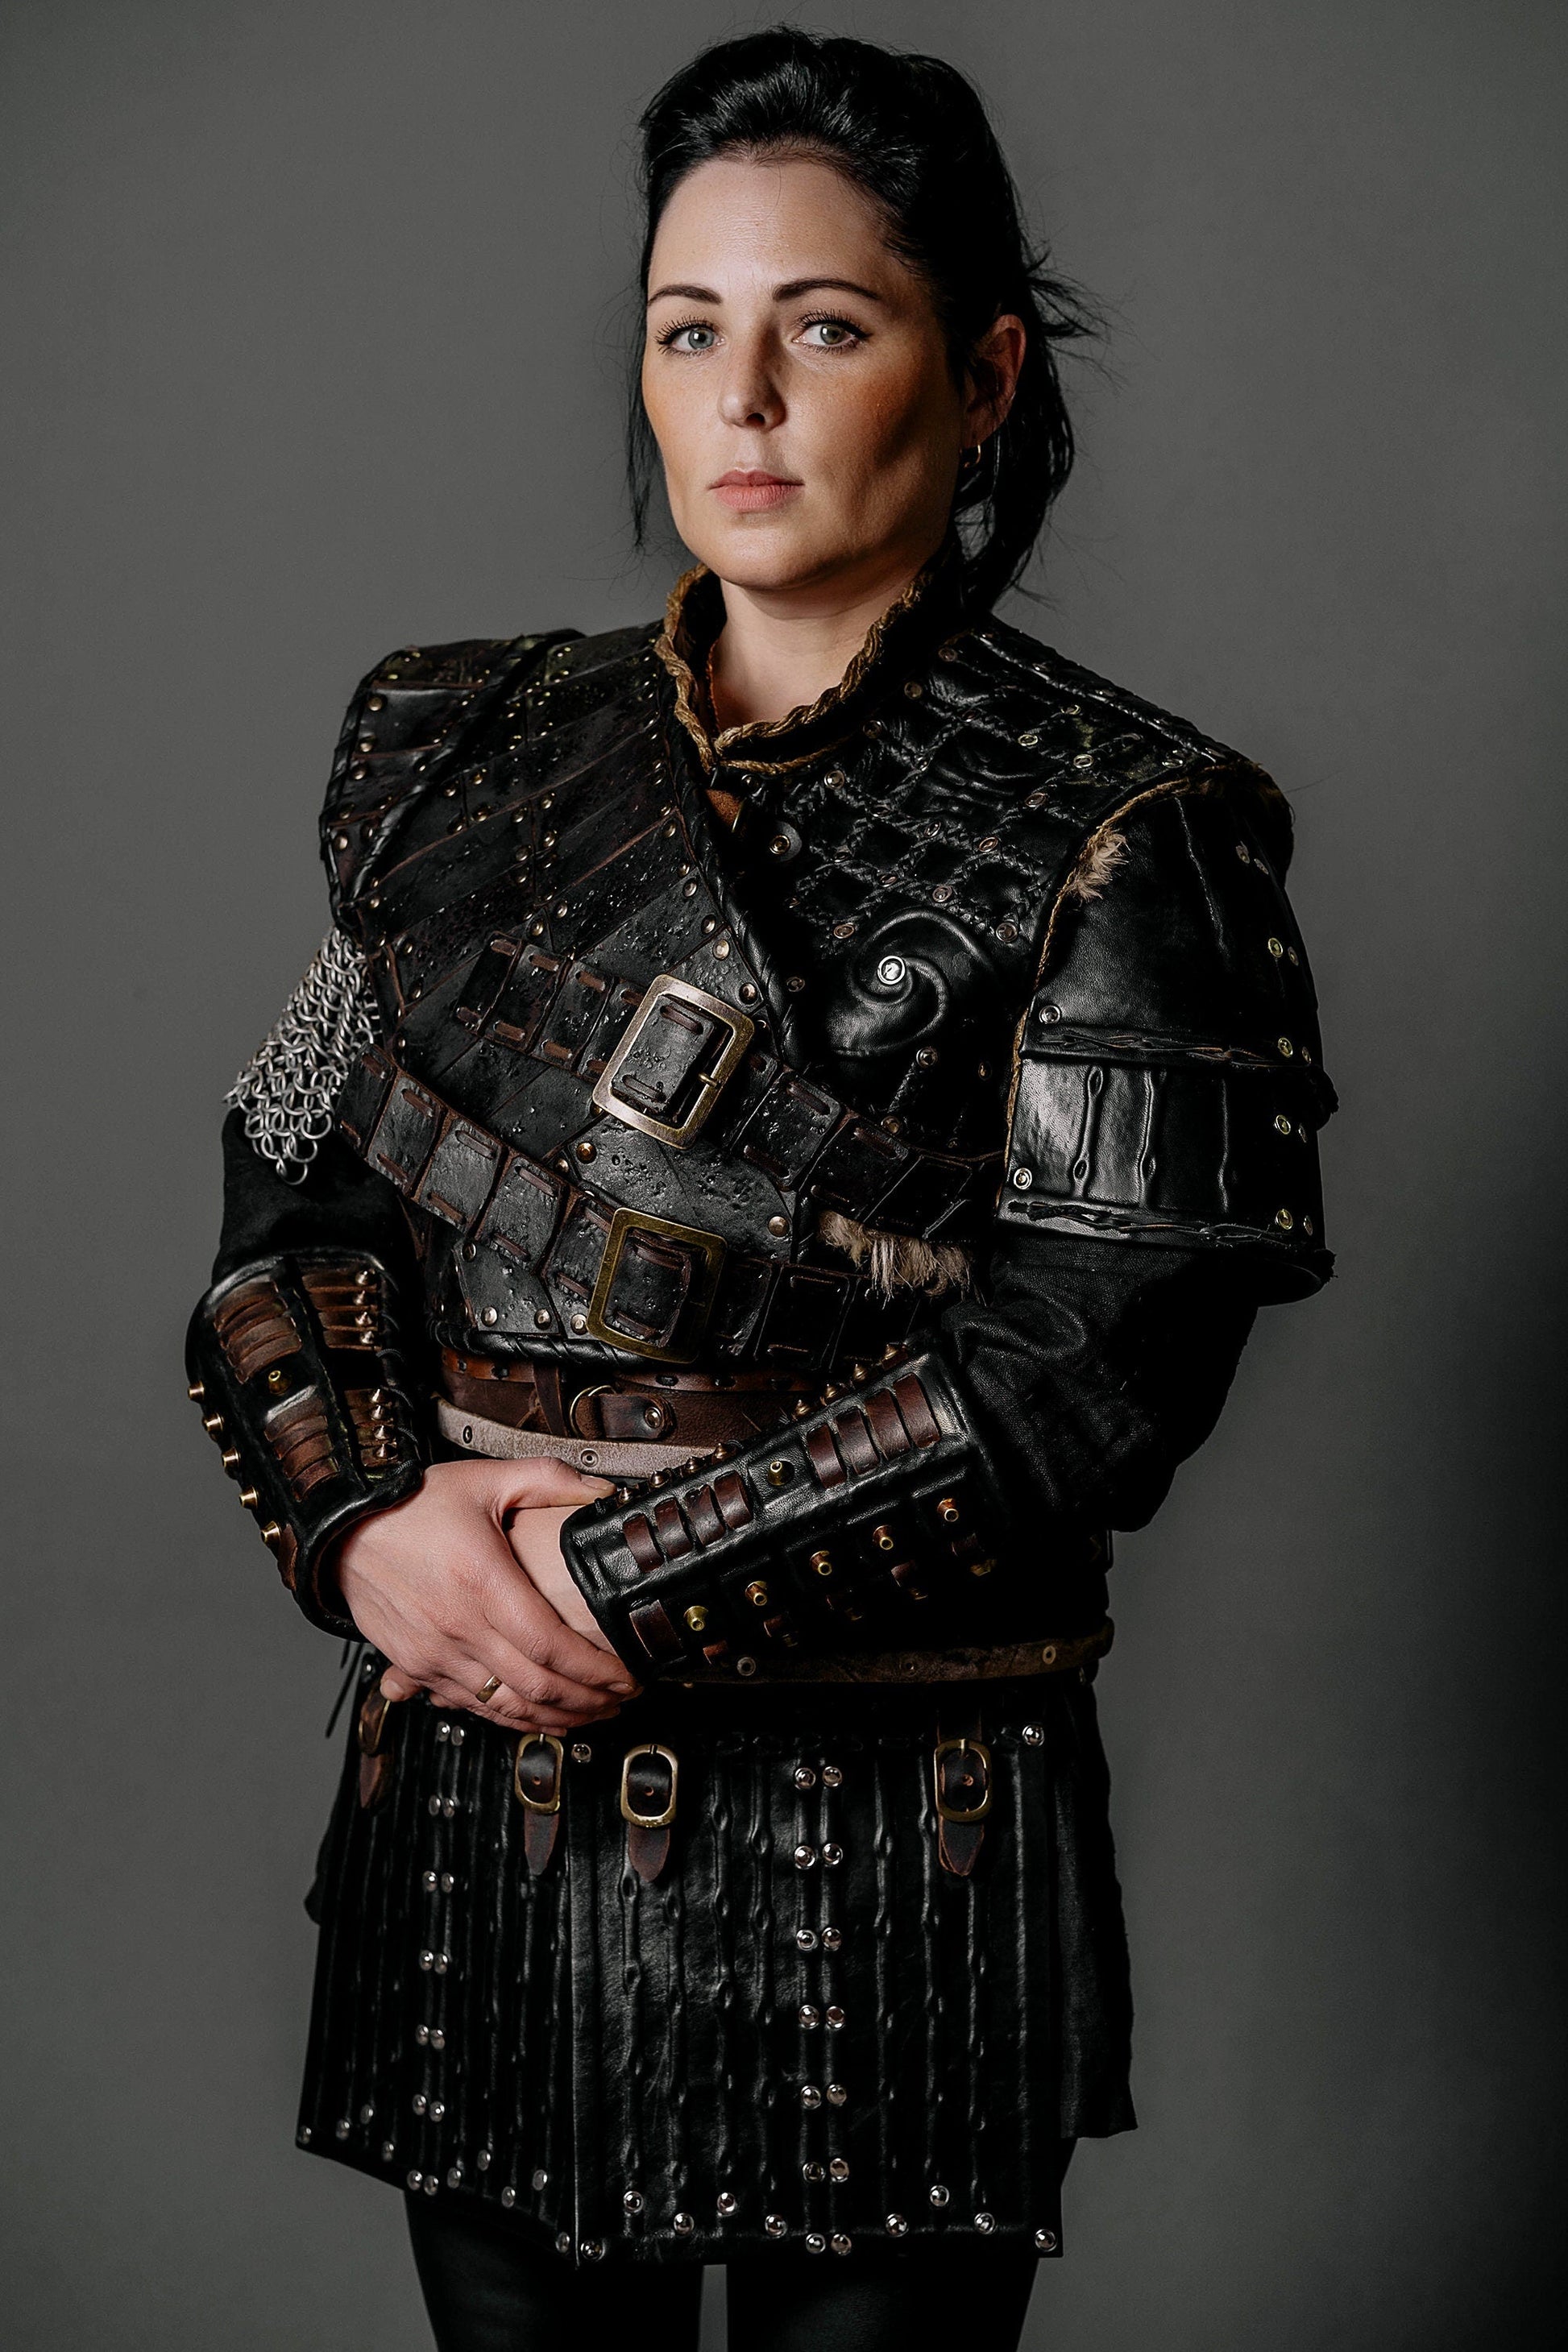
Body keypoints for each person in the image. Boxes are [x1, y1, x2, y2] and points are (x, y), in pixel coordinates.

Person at [185, 28, 1334, 2352]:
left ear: (979, 374)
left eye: (824, 325)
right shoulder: (449, 754)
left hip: (894, 1844)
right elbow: (287, 1179)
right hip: (481, 1818)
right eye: (686, 327)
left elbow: (1082, 1368)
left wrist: (605, 1585)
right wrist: (361, 1522)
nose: (742, 399)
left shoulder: (1138, 829)